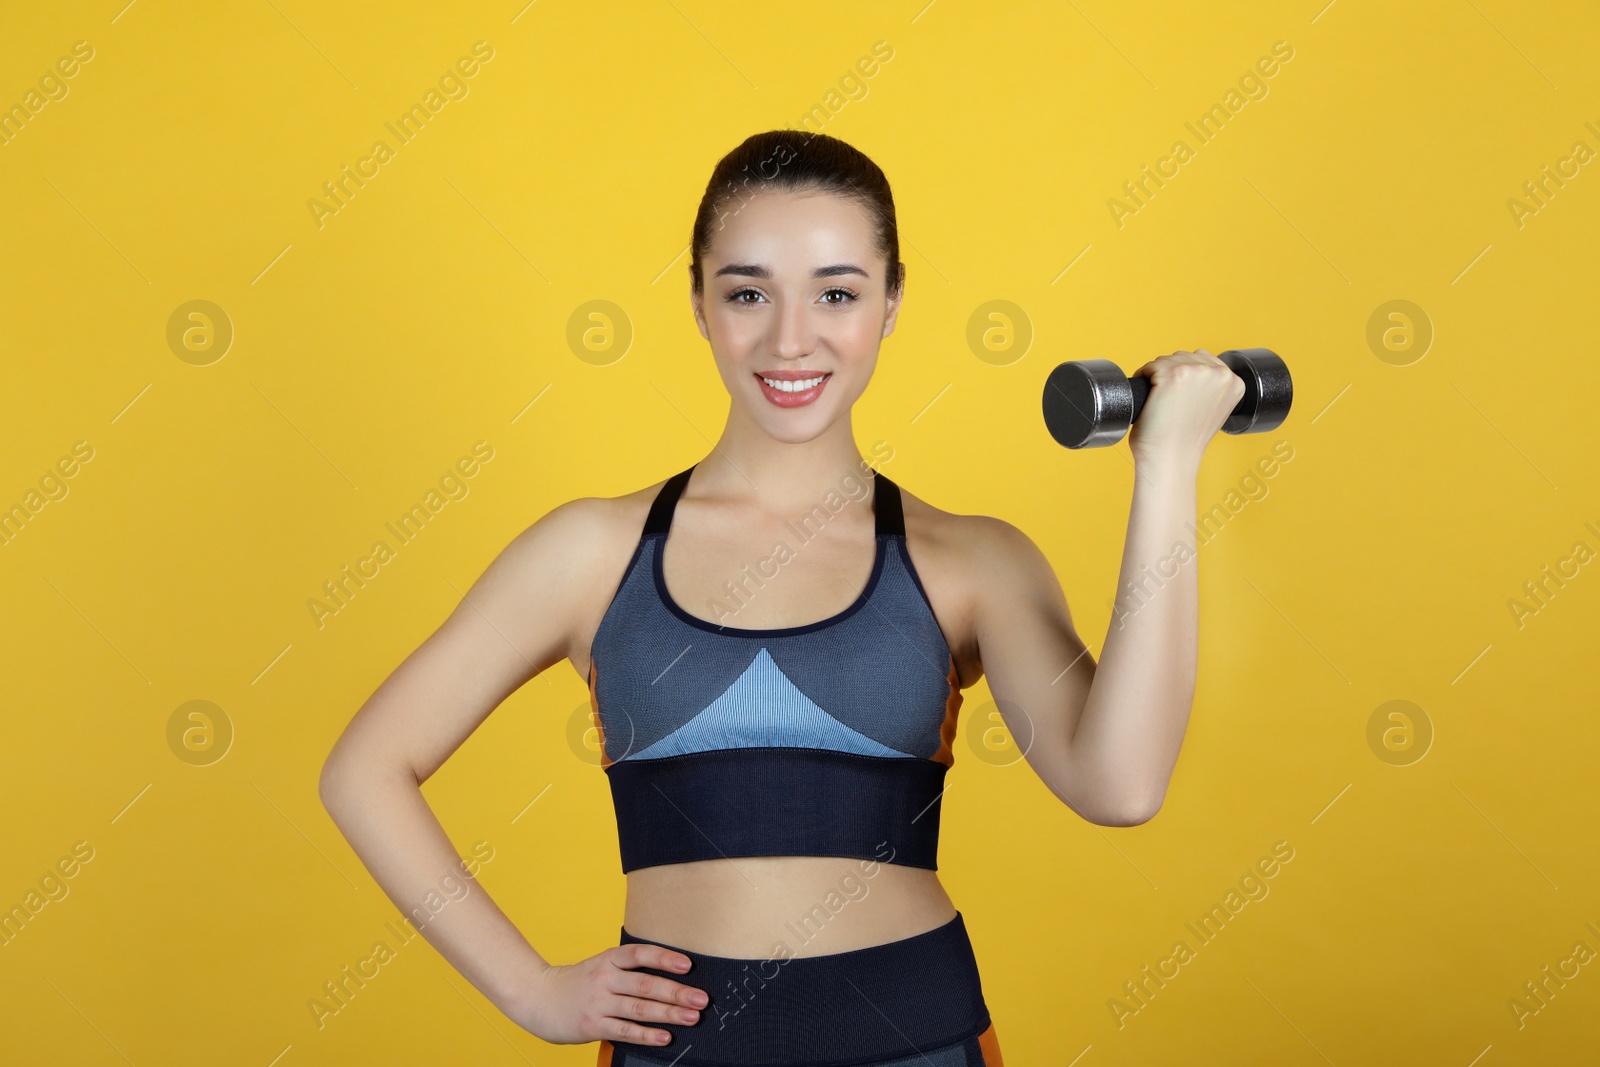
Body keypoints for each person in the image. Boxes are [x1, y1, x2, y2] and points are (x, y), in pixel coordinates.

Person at [319, 129, 1246, 1066]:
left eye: (836, 292)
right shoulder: (592, 551)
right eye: (749, 292)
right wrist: (530, 990)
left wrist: (1165, 468)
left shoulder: (972, 560)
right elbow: (365, 770)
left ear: (890, 303)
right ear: (699, 303)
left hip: (918, 1041)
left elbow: (1120, 785)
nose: (790, 338)